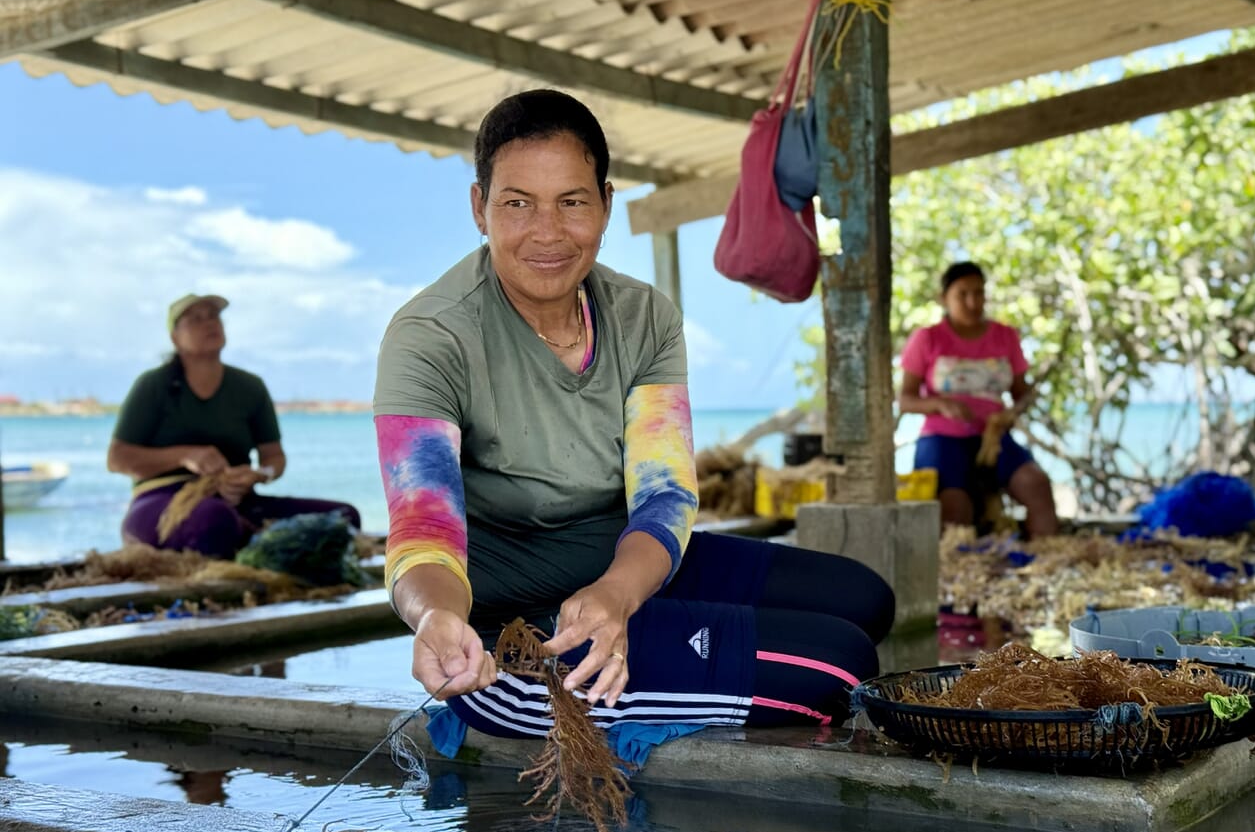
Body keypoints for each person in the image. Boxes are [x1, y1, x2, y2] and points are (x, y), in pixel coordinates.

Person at [374, 89, 894, 741]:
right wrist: (435, 619)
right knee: (841, 665)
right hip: (517, 634)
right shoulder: (430, 336)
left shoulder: (643, 316)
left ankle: (668, 642)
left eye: (572, 201)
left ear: (607, 204)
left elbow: (665, 494)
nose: (546, 231)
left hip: (627, 571)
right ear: (479, 207)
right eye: (516, 204)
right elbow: (423, 529)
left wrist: (619, 594)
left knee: (865, 598)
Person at [107, 294, 361, 558]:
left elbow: (274, 458)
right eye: (196, 319)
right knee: (215, 520)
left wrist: (258, 475)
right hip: (164, 501)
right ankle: (250, 540)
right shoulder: (153, 385)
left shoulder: (250, 386)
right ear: (175, 338)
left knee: (344, 518)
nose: (209, 323)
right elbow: (117, 459)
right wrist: (186, 456)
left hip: (239, 500)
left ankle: (248, 537)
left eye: (214, 316)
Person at [898, 261, 1057, 538]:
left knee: (1037, 485)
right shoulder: (927, 338)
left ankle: (1048, 559)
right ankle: (961, 571)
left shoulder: (1005, 336)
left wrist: (1013, 412)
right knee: (954, 509)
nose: (973, 302)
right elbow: (905, 399)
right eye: (963, 294)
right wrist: (940, 404)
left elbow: (1023, 393)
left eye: (979, 293)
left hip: (992, 439)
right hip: (941, 438)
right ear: (944, 298)